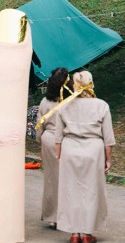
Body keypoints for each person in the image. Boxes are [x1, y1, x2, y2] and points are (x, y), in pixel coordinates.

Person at [55, 70, 115, 243]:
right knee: (91, 192)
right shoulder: (101, 105)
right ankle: (87, 234)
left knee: (70, 191)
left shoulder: (64, 105)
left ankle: (74, 233)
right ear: (92, 84)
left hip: (70, 149)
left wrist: (59, 157)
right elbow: (108, 137)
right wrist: (108, 159)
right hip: (93, 151)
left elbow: (58, 137)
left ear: (75, 85)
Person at [36, 67, 73, 229]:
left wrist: (41, 142)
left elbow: (39, 126)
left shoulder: (45, 102)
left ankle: (53, 216)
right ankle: (68, 215)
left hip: (49, 140)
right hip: (66, 140)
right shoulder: (71, 102)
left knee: (51, 179)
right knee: (68, 179)